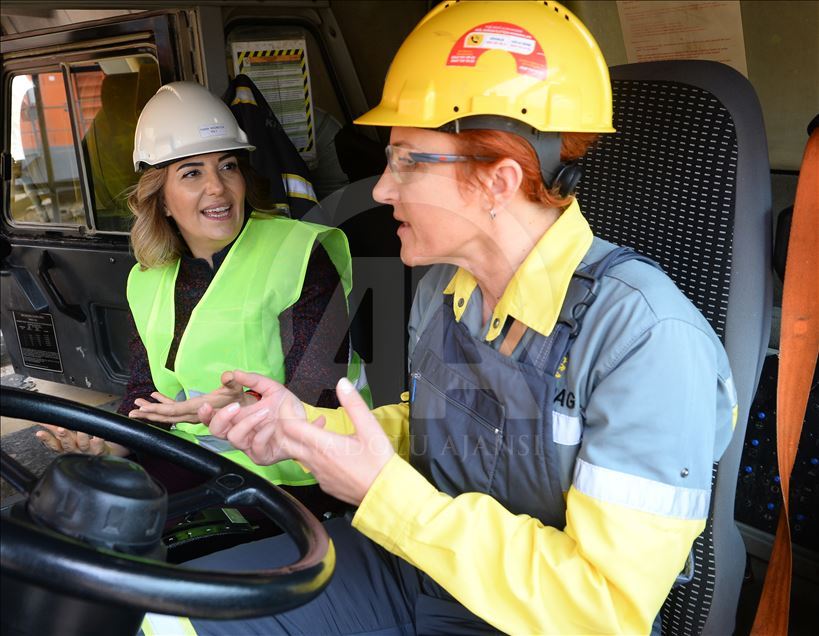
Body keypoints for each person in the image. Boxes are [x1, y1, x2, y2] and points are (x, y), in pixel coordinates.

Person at [143, 2, 737, 634]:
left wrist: (382, 494)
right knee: (170, 615)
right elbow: (439, 432)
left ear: (498, 183)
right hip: (416, 569)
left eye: (408, 160)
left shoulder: (646, 340)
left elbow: (602, 608)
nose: (380, 189)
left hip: (515, 617)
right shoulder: (443, 293)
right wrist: (304, 427)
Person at [36, 81, 368, 496]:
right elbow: (146, 397)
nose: (217, 186)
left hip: (295, 476)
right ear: (161, 199)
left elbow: (321, 402)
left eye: (227, 166)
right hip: (198, 461)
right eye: (192, 172)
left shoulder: (299, 254)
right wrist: (107, 442)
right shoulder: (148, 278)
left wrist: (235, 408)